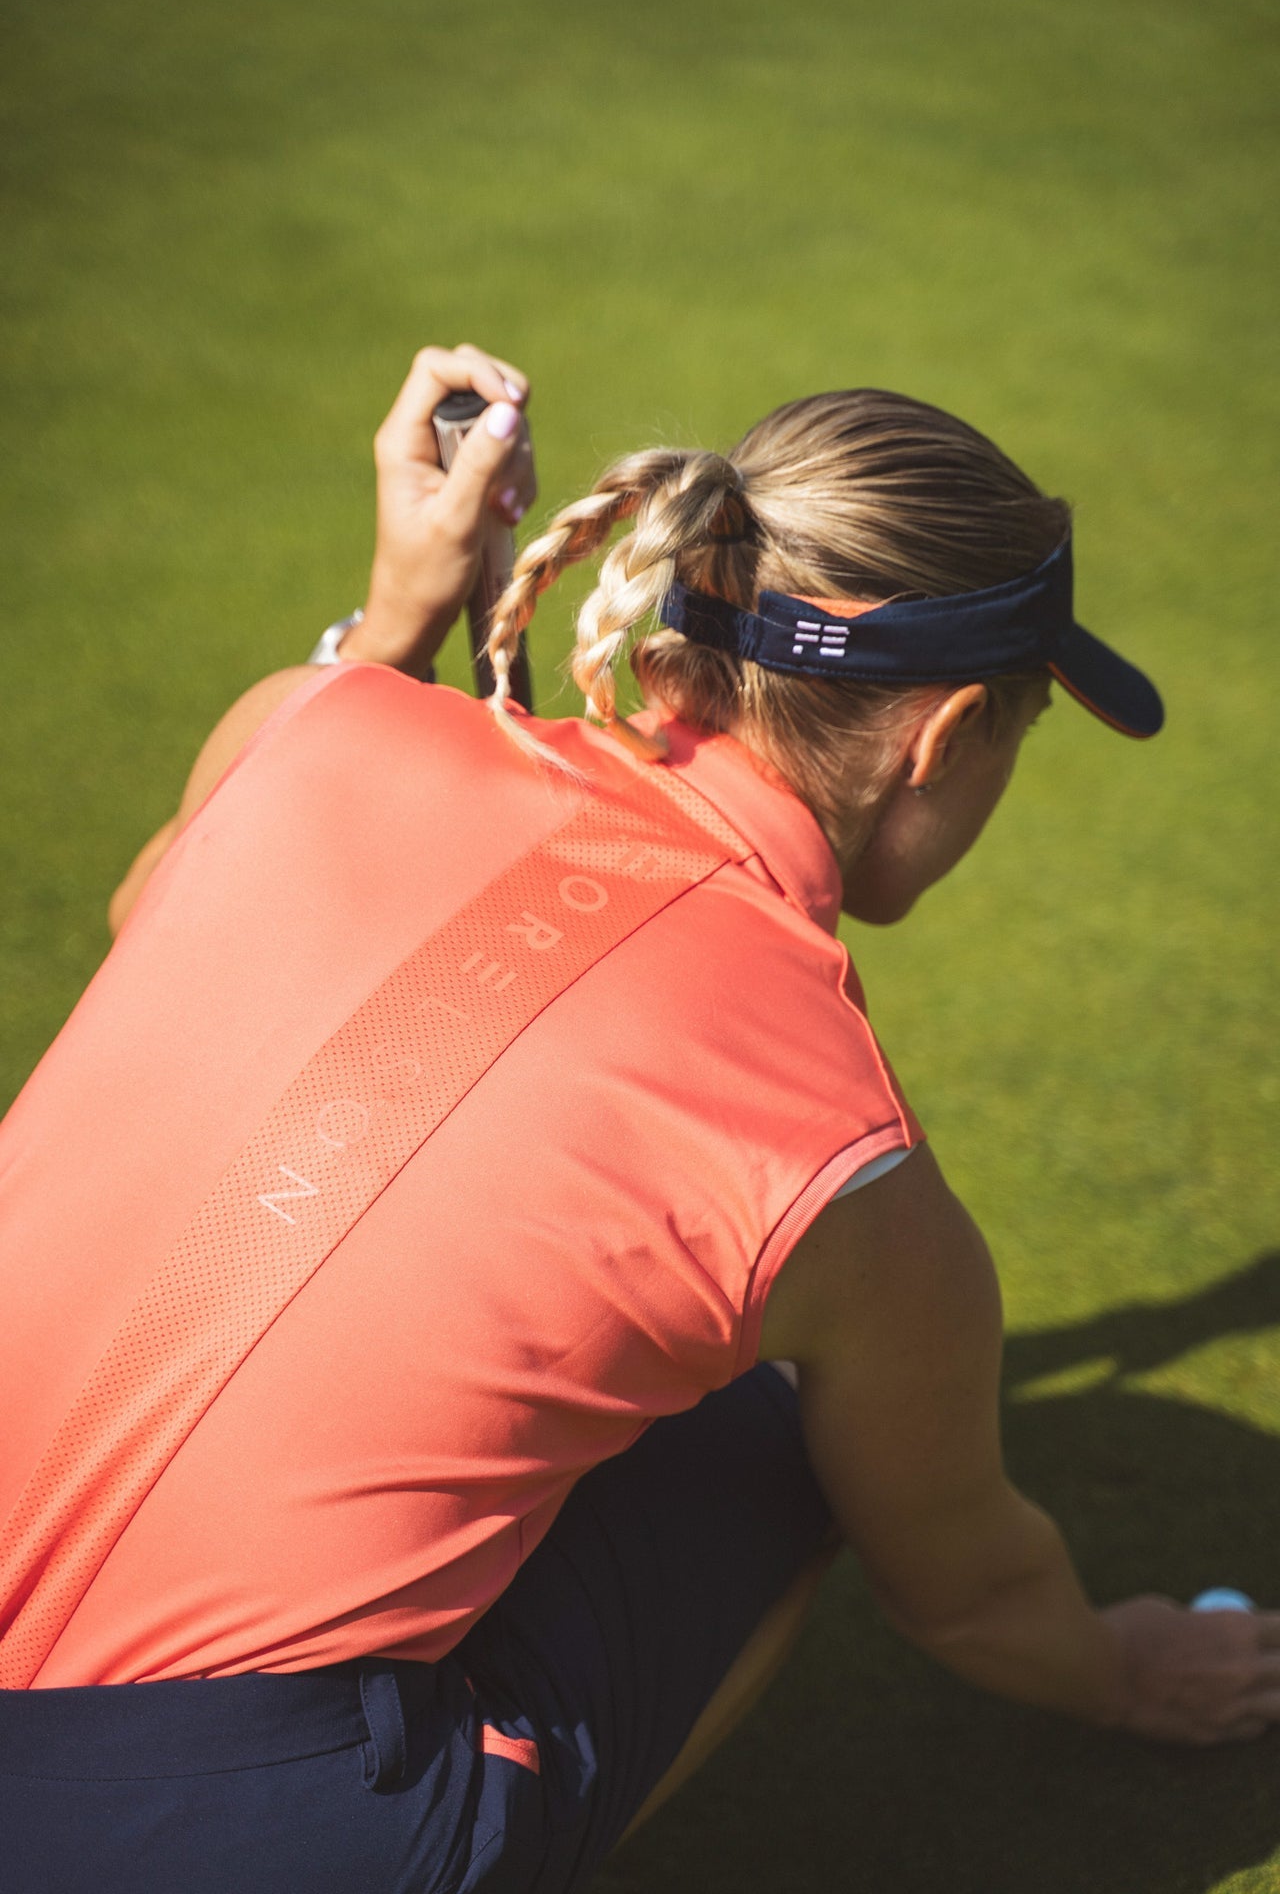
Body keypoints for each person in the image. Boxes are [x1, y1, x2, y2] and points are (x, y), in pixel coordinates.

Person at [1, 342, 1276, 1894]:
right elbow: (967, 1586)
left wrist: (395, 618)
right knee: (779, 1442)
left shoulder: (302, 726)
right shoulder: (844, 1166)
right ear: (942, 740)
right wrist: (1130, 1667)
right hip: (175, 1833)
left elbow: (158, 902)